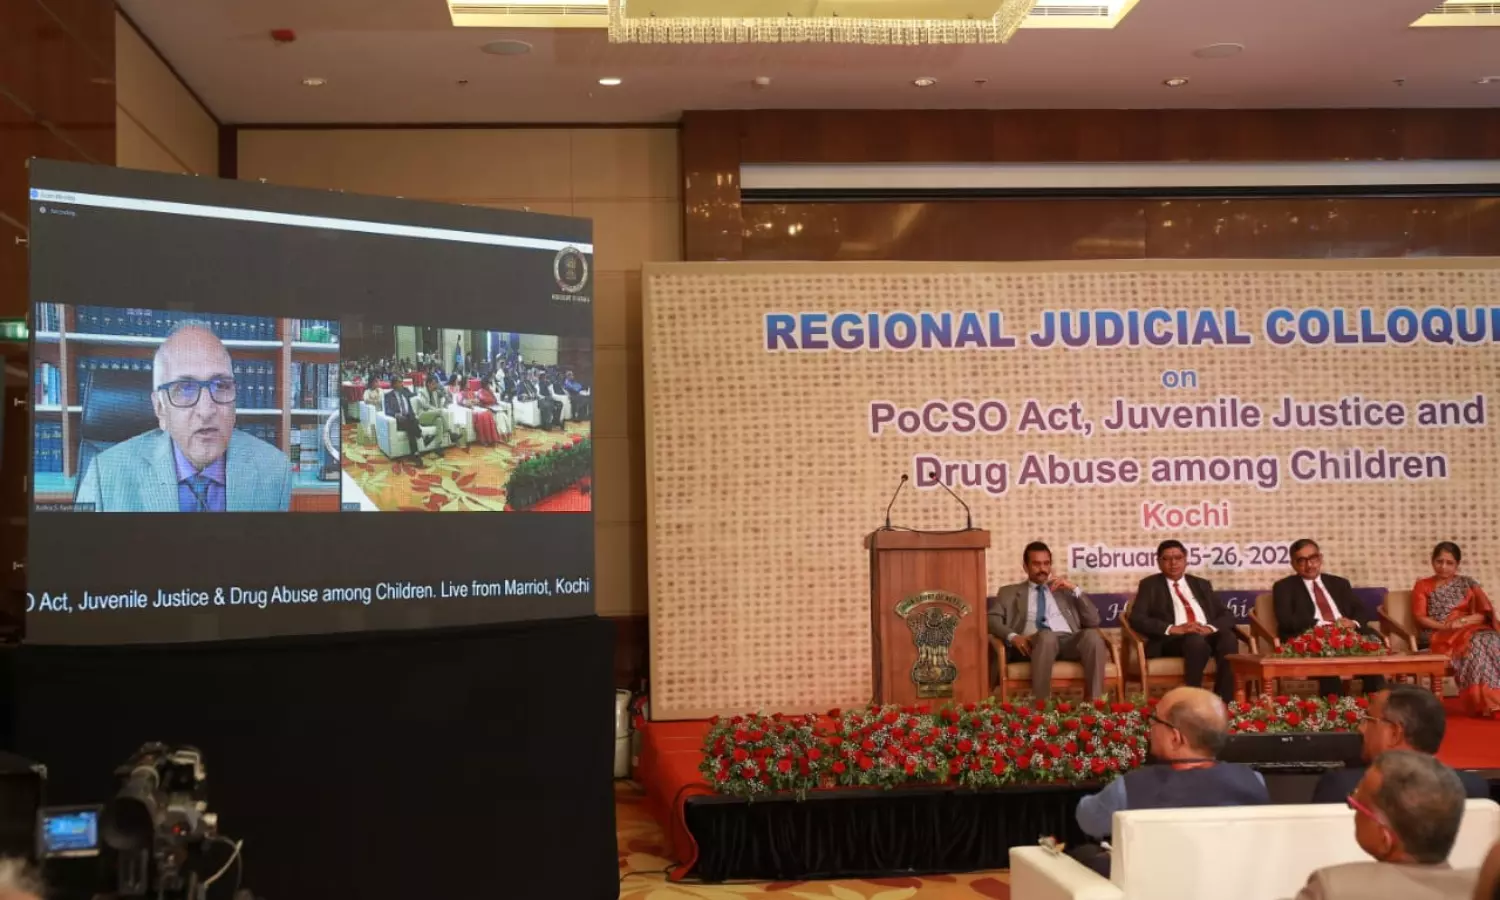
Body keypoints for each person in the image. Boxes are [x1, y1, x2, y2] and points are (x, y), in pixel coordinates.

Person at [76, 322, 291, 512]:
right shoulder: (104, 476)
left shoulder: (274, 470)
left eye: (221, 385)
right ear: (160, 409)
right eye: (184, 388)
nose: (206, 411)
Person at [1072, 686, 1267, 874]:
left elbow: (1088, 819)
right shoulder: (1254, 780)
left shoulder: (1131, 788)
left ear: (1175, 738)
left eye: (1155, 719)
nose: (1150, 726)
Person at [1291, 751, 1476, 900]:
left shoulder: (1332, 890)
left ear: (1385, 839)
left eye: (1357, 805)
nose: (1353, 807)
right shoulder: (1483, 889)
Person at [1311, 685, 1489, 803]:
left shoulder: (1343, 787)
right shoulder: (1473, 787)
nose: (1361, 728)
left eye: (1369, 720)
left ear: (1395, 733)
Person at [988, 541, 1109, 700]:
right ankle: (1041, 706)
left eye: (1046, 564)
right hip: (1032, 644)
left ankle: (1096, 705)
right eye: (1036, 564)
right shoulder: (1009, 592)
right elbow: (991, 619)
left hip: (1067, 642)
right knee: (1047, 636)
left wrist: (1075, 590)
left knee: (1092, 636)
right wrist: (1013, 637)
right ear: (1025, 567)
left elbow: (1093, 621)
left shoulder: (1064, 591)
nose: (1042, 569)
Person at [1273, 539, 1387, 696]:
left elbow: (1360, 610)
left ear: (1320, 558)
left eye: (1313, 558)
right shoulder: (1284, 587)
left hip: (1347, 634)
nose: (1309, 565)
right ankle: (1334, 704)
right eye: (1302, 561)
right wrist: (1322, 625)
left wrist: (1353, 623)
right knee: (1325, 655)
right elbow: (1286, 620)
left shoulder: (1339, 583)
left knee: (1370, 649)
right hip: (1312, 636)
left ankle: (1374, 700)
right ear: (1293, 564)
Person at [1129, 540, 1239, 702]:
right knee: (1195, 641)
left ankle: (1223, 701)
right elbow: (1137, 619)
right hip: (1172, 640)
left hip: (1205, 634)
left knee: (1228, 638)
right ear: (1158, 562)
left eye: (1178, 558)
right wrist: (1173, 628)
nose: (1173, 563)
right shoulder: (1149, 585)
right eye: (1167, 559)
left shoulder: (1201, 584)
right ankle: (1192, 699)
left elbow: (1227, 615)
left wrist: (1209, 628)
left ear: (1186, 559)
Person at [1415, 542, 1500, 718]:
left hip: (1469, 628)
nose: (1443, 567)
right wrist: (1447, 626)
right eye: (1439, 561)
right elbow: (1420, 617)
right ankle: (1488, 702)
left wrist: (1463, 621)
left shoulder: (1467, 583)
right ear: (1432, 561)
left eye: (1449, 563)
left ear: (1457, 565)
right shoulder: (1423, 585)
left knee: (1490, 639)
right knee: (1476, 643)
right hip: (1439, 633)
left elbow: (1483, 614)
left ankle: (1491, 700)